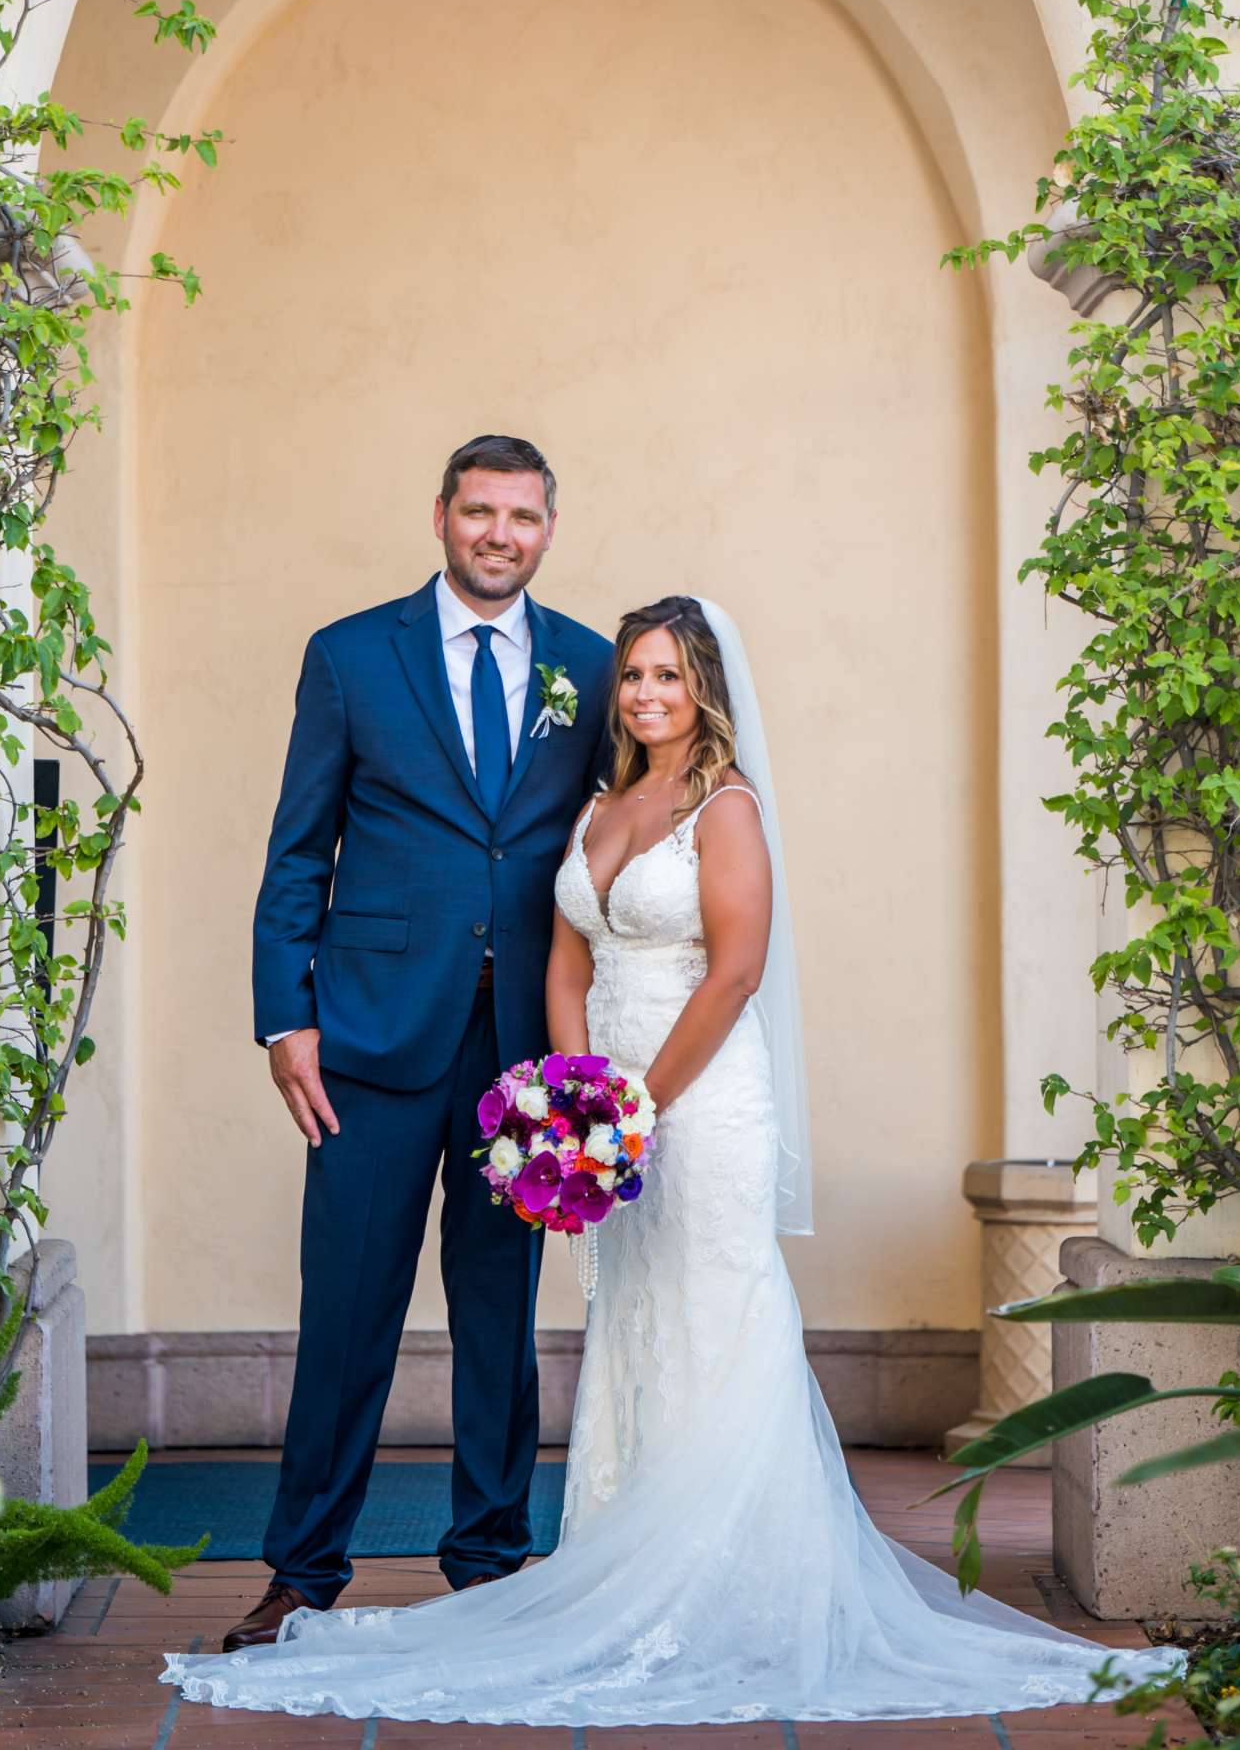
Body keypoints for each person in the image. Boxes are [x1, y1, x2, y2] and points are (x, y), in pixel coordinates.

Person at [172, 596, 1184, 1722]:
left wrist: (636, 1106)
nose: (647, 693)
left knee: (675, 1318)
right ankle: (335, 1571)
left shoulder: (724, 802)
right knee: (610, 1322)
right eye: (635, 677)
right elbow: (517, 932)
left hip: (690, 1106)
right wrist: (572, 1101)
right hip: (511, 1073)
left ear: (703, 684)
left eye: (667, 676)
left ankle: (630, 1577)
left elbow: (734, 973)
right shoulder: (555, 773)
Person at [218, 435, 613, 1651]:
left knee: (501, 1313)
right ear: (441, 516)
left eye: (523, 517)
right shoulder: (349, 656)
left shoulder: (592, 668)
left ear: (550, 528)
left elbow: (608, 844)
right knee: (347, 1309)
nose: (500, 534)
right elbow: (299, 850)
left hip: (522, 1056)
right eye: (480, 512)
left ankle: (491, 1560)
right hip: (370, 1042)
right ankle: (303, 1569)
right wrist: (287, 1019)